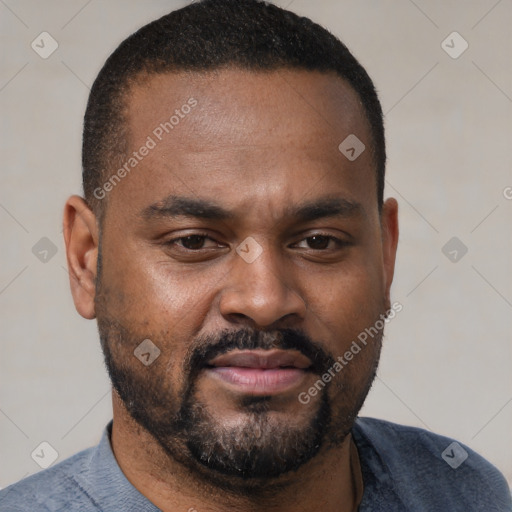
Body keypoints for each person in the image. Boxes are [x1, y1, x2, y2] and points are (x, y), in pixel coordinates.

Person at [1, 1, 510, 510]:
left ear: (385, 255)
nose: (265, 299)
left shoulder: (466, 493)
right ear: (87, 259)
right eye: (194, 242)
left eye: (318, 241)